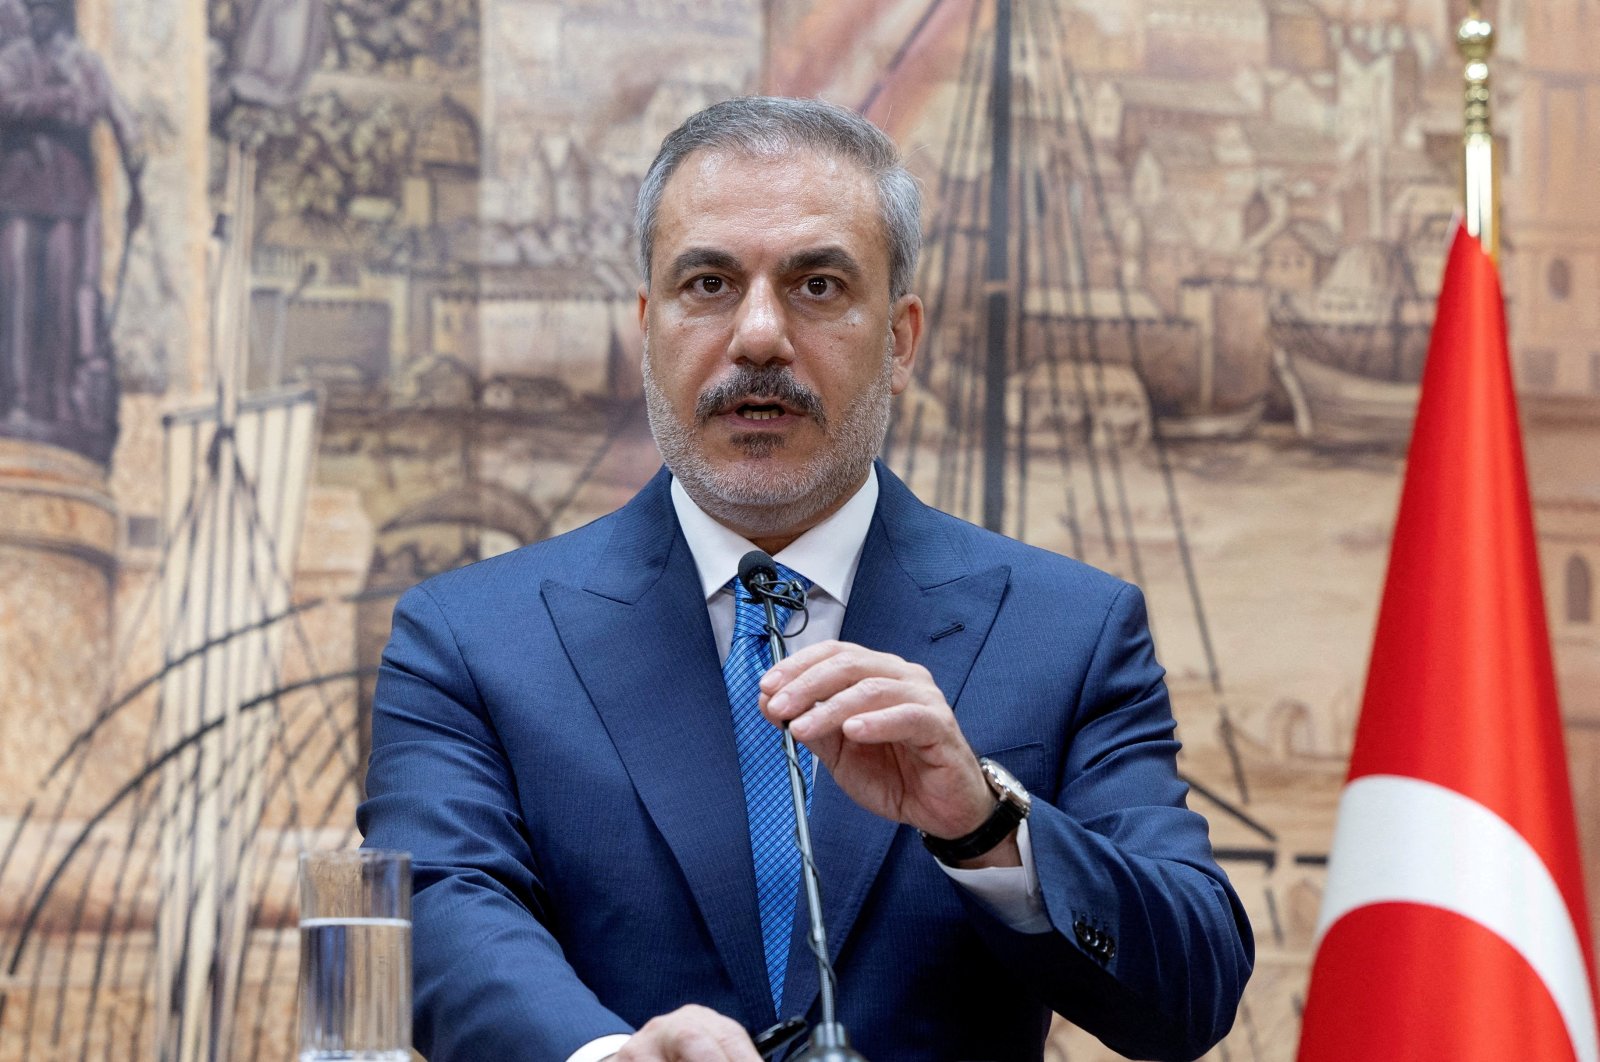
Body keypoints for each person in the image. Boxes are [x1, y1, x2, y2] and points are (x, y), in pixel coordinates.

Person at [359, 96, 1253, 1062]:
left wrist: (985, 825)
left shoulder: (1071, 630)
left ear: (902, 339)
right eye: (708, 284)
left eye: (818, 286)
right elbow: (441, 913)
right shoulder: (468, 637)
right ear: (648, 328)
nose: (758, 337)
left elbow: (1190, 989)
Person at [0, 0, 140, 453]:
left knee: (62, 302)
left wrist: (136, 168)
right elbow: (5, 101)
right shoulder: (14, 60)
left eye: (45, 8)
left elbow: (120, 116)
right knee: (18, 301)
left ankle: (59, 399)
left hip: (68, 200)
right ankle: (20, 399)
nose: (36, 15)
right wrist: (59, 103)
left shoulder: (85, 63)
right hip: (19, 197)